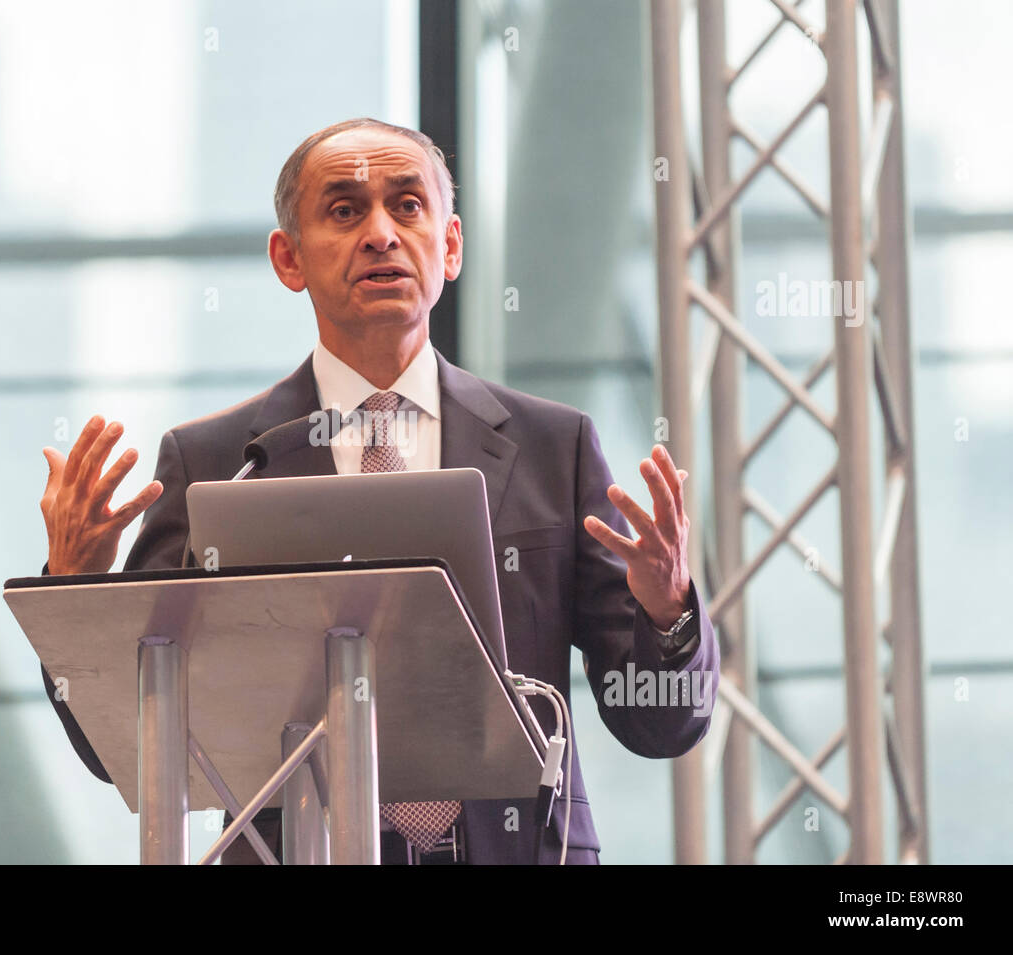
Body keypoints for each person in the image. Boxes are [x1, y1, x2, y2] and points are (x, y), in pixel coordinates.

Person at [37, 118, 719, 865]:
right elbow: (119, 747)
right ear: (288, 258)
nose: (381, 234)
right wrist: (75, 590)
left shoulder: (554, 448)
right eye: (343, 210)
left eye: (407, 206)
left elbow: (662, 725)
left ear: (450, 246)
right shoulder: (216, 464)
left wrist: (668, 613)